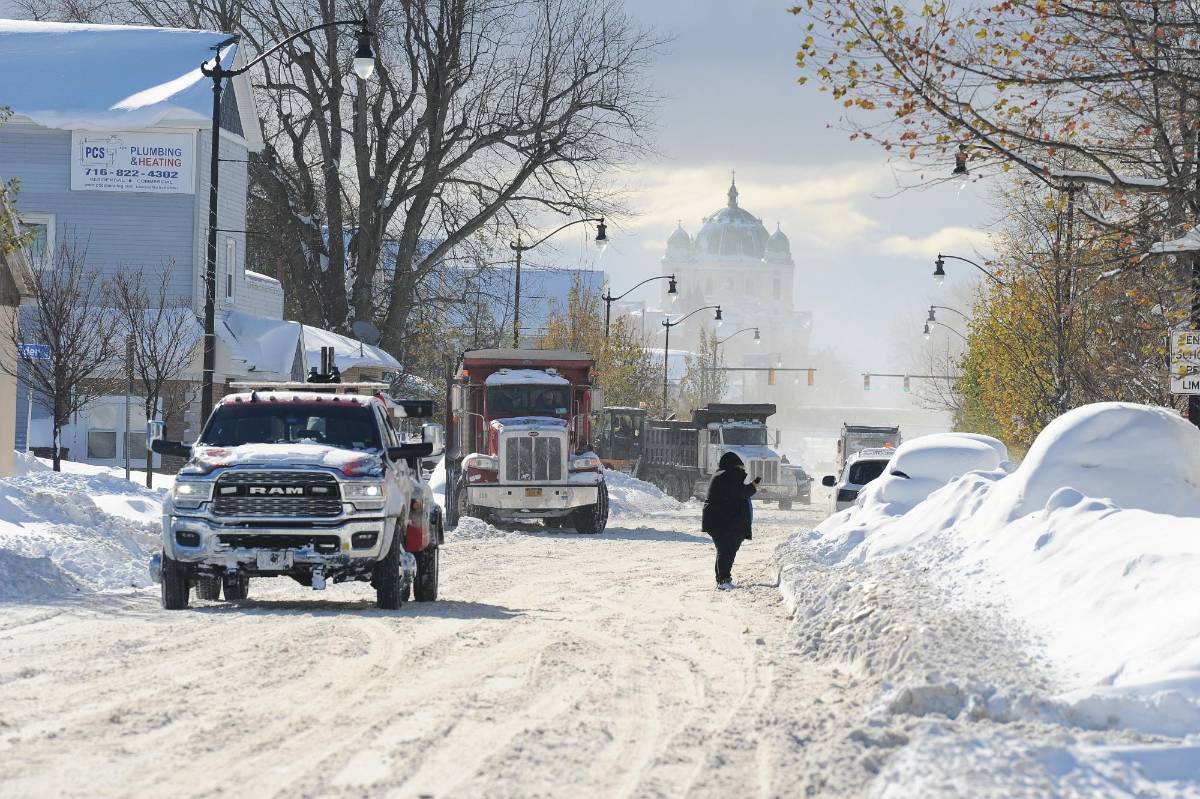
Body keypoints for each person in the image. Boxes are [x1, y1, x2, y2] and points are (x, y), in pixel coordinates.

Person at [701, 452, 760, 590]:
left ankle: (722, 578)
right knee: (727, 549)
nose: (742, 470)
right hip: (723, 522)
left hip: (719, 521)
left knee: (724, 549)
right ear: (734, 466)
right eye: (740, 467)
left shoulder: (721, 475)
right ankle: (723, 580)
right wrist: (753, 486)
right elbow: (740, 493)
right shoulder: (727, 475)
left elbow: (735, 493)